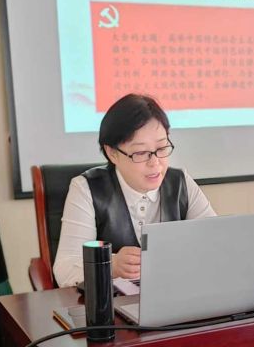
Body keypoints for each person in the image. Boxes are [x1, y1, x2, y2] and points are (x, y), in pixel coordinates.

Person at [53, 93, 217, 287]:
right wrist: (111, 265)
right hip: (113, 303)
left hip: (174, 295)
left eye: (162, 148)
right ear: (112, 153)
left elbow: (216, 244)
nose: (155, 163)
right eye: (140, 152)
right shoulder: (86, 188)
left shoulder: (181, 182)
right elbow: (64, 270)